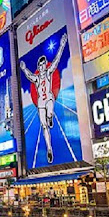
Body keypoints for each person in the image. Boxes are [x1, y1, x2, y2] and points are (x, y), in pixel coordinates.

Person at [20, 33, 68, 165]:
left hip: (49, 98)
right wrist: (24, 69)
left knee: (50, 111)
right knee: (44, 126)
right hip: (41, 102)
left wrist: (62, 45)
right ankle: (49, 148)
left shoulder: (48, 73)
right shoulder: (36, 78)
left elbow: (57, 59)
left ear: (45, 65)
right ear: (38, 66)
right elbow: (29, 75)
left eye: (43, 65)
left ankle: (50, 116)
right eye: (40, 66)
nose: (41, 67)